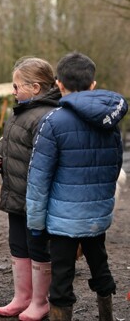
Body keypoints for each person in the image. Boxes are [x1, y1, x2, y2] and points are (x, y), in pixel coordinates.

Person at [26, 52, 128, 321]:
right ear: (93, 84)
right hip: (96, 219)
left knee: (61, 279)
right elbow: (114, 169)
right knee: (100, 267)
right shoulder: (111, 123)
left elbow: (38, 179)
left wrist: (36, 225)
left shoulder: (53, 123)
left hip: (62, 223)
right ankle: (106, 315)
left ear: (58, 84)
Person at [0, 57, 61, 321]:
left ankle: (40, 301)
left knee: (38, 247)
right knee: (18, 245)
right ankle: (22, 297)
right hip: (15, 193)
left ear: (36, 88)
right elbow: (5, 141)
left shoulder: (47, 117)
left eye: (17, 87)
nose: (14, 91)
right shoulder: (20, 112)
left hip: (35, 198)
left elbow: (47, 157)